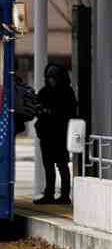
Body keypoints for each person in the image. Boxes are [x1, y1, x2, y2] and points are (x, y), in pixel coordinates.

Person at [34, 64, 77, 204]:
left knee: (62, 164)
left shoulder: (67, 92)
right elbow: (37, 108)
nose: (51, 80)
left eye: (53, 77)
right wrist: (41, 111)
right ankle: (49, 194)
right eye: (49, 77)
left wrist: (52, 112)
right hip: (46, 133)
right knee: (48, 165)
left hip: (60, 134)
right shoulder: (44, 92)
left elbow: (70, 112)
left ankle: (65, 195)